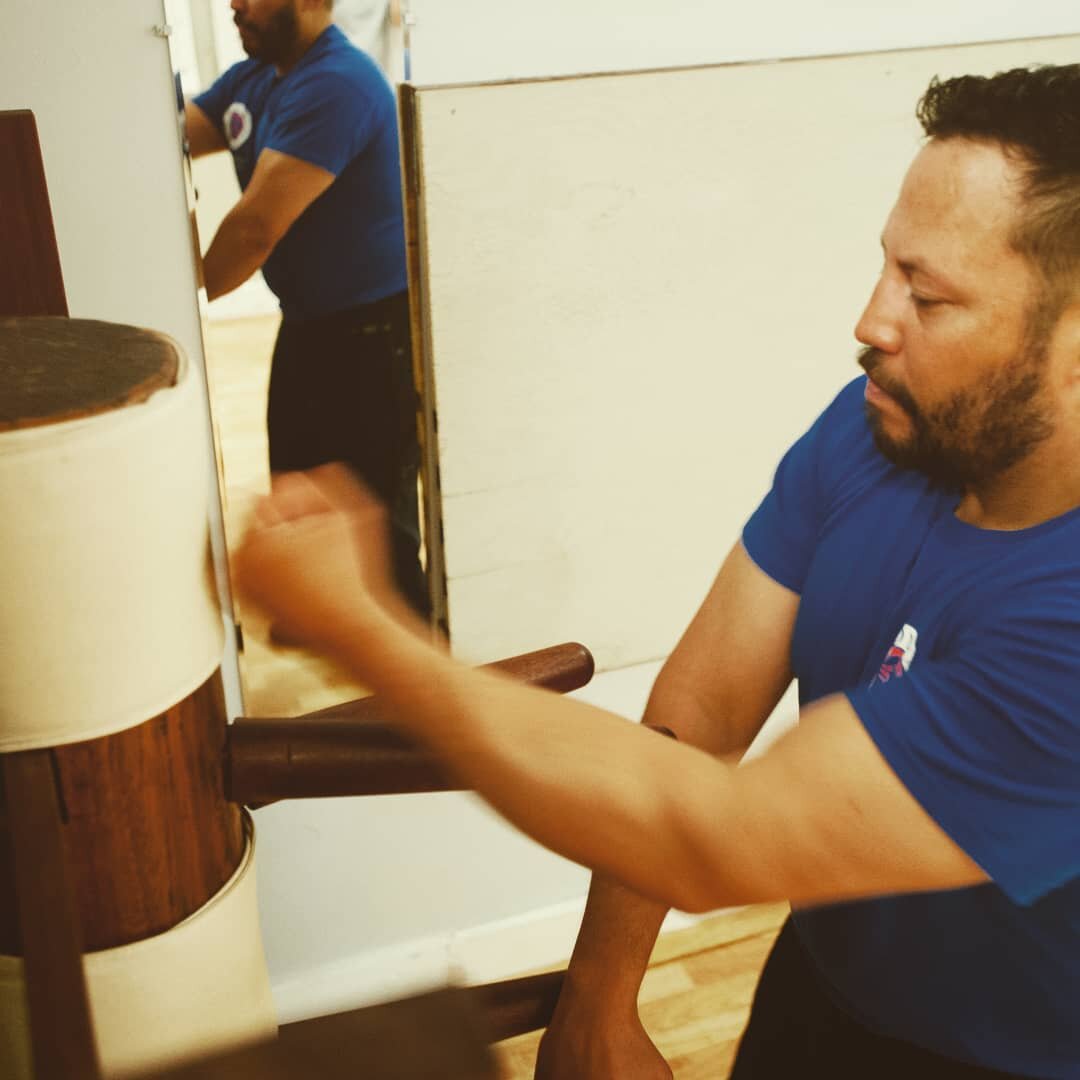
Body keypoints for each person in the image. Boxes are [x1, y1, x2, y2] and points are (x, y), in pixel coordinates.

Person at [233, 63, 1080, 1079]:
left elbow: (717, 837)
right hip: (823, 984)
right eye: (888, 268)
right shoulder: (885, 428)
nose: (871, 320)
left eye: (928, 295)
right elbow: (704, 709)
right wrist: (599, 994)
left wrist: (361, 622)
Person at [184, 0, 428, 616]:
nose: (235, 4)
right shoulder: (258, 76)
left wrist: (169, 303)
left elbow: (255, 229)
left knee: (380, 542)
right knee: (300, 507)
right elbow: (179, 131)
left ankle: (420, 695)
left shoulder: (337, 83)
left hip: (375, 339)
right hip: (310, 325)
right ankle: (350, 668)